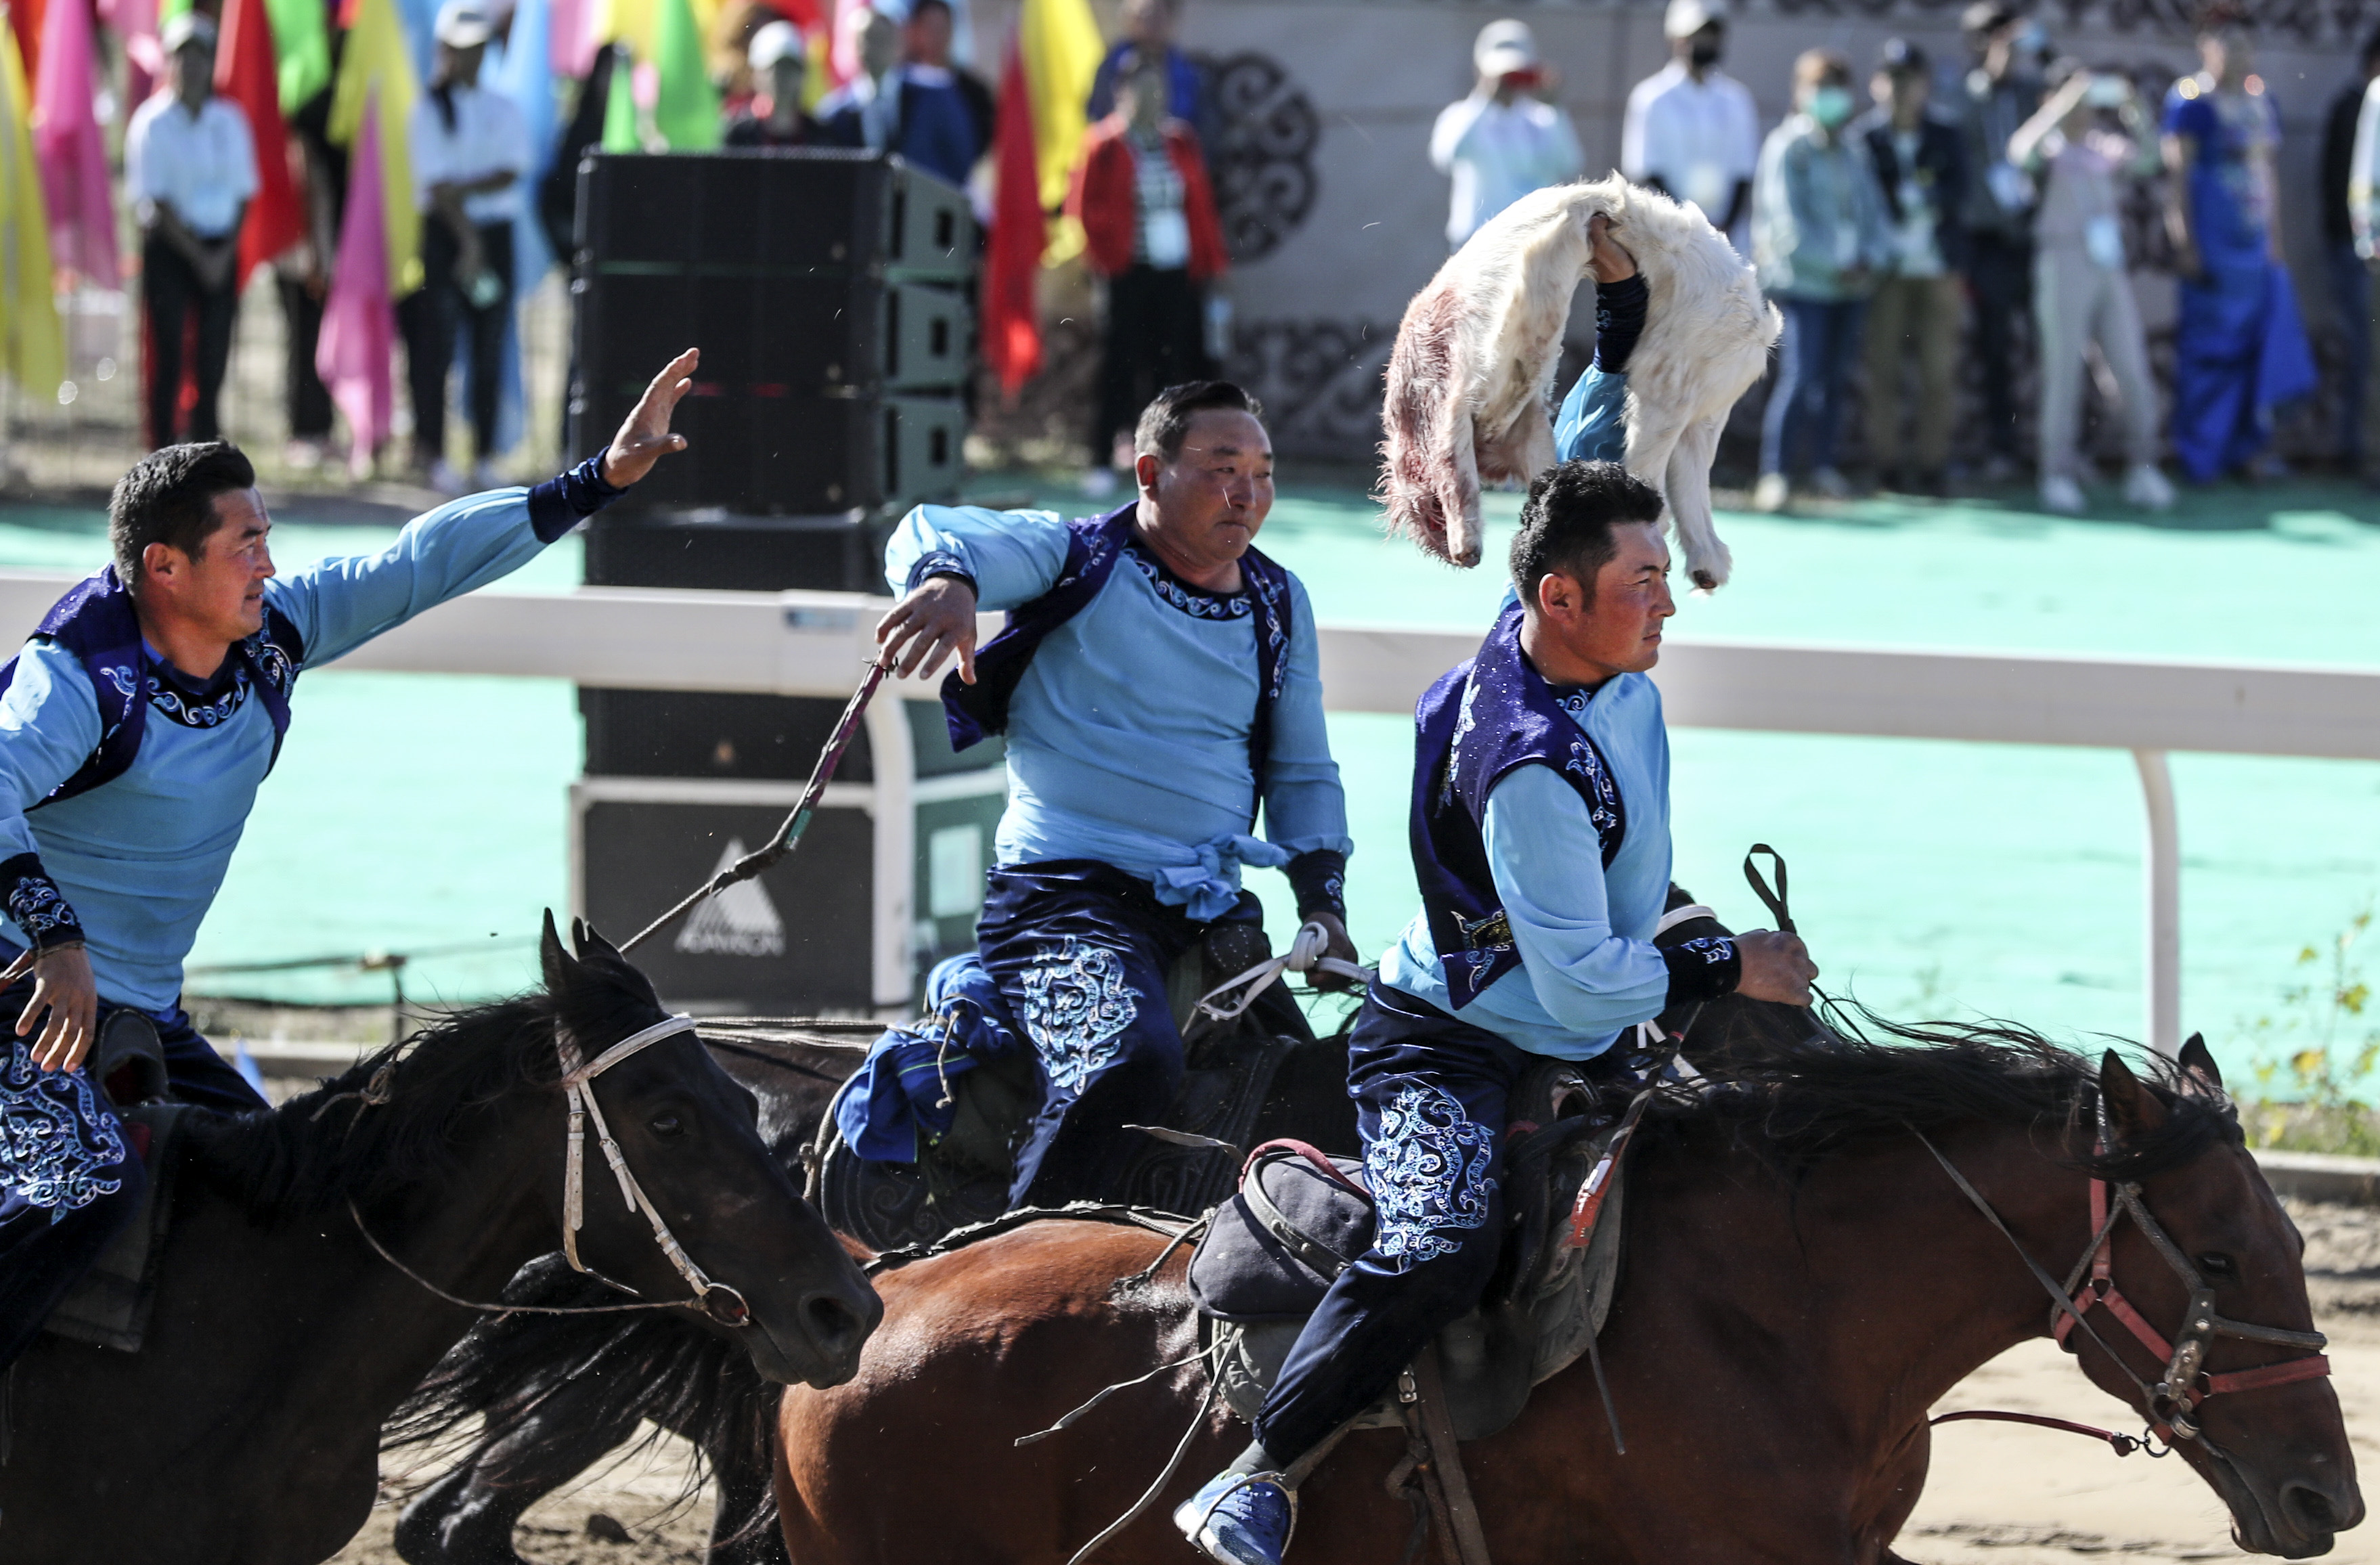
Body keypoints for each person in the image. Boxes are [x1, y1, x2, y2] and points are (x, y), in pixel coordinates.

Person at [1173, 221, 1819, 1565]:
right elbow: (1583, 979)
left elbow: (1594, 448)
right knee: (1442, 1243)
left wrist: (1618, 311)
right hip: (1454, 1040)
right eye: (1645, 586)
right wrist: (1729, 966)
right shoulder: (1522, 761)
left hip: (1593, 967)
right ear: (1564, 600)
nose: (1668, 605)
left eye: (1661, 577)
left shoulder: (1567, 611)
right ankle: (1259, 1471)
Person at [0, 350, 700, 1373]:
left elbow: (417, 564)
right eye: (245, 544)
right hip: (24, 999)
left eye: (266, 538)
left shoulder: (271, 635)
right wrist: (57, 937)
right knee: (84, 1187)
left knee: (299, 1200)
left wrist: (597, 478)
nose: (268, 564)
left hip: (139, 1011)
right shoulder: (78, 678)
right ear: (164, 568)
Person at [871, 380, 1357, 1214]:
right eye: (1223, 468)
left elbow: (1303, 769)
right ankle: (1013, 1266)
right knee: (1125, 1066)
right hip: (1062, 902)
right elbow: (932, 529)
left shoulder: (1279, 601)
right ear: (1149, 473)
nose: (1247, 493)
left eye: (1263, 472)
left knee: (1331, 1102)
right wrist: (949, 580)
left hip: (1210, 916)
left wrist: (1323, 902)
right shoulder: (1076, 556)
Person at [2161, 7, 2316, 484]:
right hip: (2212, 242)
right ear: (2206, 47)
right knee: (2210, 349)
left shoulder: (2260, 99)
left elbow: (2266, 172)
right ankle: (2201, 454)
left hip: (2253, 246)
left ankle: (2249, 451)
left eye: (2246, 44)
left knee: (2256, 346)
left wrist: (2276, 242)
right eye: (2228, 43)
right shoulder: (2190, 99)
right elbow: (2178, 177)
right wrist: (2184, 241)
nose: (2239, 53)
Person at [2009, 62, 2173, 514]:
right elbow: (2020, 152)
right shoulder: (2049, 146)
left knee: (2131, 368)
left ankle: (2144, 467)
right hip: (2062, 260)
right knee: (2063, 371)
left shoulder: (2103, 146)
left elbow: (2151, 158)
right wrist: (2061, 106)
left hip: (2107, 265)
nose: (2083, 108)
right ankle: (2056, 473)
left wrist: (2135, 108)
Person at [1070, 50, 1229, 485]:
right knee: (1120, 364)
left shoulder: (1180, 141)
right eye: (1141, 90)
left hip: (1175, 271)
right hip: (1128, 271)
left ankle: (1165, 460)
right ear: (1122, 93)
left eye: (1157, 90)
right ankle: (1102, 459)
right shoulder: (1104, 144)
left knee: (1172, 367)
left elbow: (1200, 208)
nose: (1150, 99)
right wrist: (1103, 257)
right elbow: (1083, 207)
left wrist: (1212, 263)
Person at [1751, 47, 1892, 512]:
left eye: (1837, 87)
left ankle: (1824, 467)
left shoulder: (1854, 150)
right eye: (1820, 87)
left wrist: (1871, 258)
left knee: (1835, 380)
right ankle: (1775, 472)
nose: (1831, 97)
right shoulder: (1787, 147)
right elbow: (1785, 225)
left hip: (1852, 287)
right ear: (1801, 92)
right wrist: (1835, 263)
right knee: (1801, 375)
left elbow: (1874, 214)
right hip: (1803, 285)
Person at [403, 0, 531, 494]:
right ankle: (433, 452)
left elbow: (510, 171)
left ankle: (483, 455)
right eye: (462, 48)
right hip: (445, 238)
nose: (471, 57)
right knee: (435, 346)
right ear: (446, 51)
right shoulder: (427, 108)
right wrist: (468, 240)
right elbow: (436, 188)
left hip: (493, 237)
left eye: (478, 47)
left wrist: (464, 190)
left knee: (488, 345)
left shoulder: (503, 107)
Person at [127, 12, 257, 452]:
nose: (193, 66)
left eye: (201, 56)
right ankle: (162, 450)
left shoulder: (230, 120)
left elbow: (243, 194)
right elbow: (157, 203)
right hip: (171, 248)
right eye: (183, 56)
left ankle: (205, 454)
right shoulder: (151, 122)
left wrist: (222, 254)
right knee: (169, 355)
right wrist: (199, 257)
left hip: (221, 246)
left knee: (213, 359)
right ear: (169, 62)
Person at [1855, 39, 1966, 498]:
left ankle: (1933, 466)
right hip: (1887, 273)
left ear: (1925, 84)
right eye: (1893, 79)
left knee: (1938, 374)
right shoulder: (1864, 138)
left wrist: (1925, 198)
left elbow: (1961, 191)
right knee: (1884, 372)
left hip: (1937, 269)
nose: (1901, 89)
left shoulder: (1946, 133)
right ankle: (1886, 467)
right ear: (1877, 84)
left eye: (1910, 79)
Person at [1956, 3, 2047, 481]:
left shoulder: (2033, 92)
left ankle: (2054, 448)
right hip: (1988, 242)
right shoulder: (1962, 96)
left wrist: (2043, 52)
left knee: (2049, 344)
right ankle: (2001, 447)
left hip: (2032, 236)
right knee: (1994, 348)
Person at [1428, 20, 1584, 250]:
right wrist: (1485, 99)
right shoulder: (1461, 115)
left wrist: (1555, 107)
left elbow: (1569, 164)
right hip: (1476, 240)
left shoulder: (1543, 117)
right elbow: (1447, 156)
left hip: (1532, 240)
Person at [1620, 0, 1759, 246]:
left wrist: (1724, 226)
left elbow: (1744, 170)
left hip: (1728, 239)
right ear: (1675, 38)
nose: (1705, 43)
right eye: (1697, 35)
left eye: (1711, 35)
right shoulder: (1651, 97)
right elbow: (1646, 170)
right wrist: (1689, 222)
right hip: (1667, 237)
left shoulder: (1737, 99)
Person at [818, 1, 983, 191]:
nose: (875, 48)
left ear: (898, 44)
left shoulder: (936, 96)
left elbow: (960, 159)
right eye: (868, 39)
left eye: (883, 39)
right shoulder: (833, 115)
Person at [2325, 31, 2380, 471]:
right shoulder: (2373, 98)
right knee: (2370, 357)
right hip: (2370, 254)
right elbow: (2363, 177)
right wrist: (2368, 238)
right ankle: (2367, 455)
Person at [1086, 0, 1216, 160]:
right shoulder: (1112, 66)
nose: (1151, 24)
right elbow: (1097, 114)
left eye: (1157, 17)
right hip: (1122, 158)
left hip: (1172, 160)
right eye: (1143, 16)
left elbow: (1202, 123)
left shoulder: (1186, 70)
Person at [724, 20, 822, 148]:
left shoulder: (822, 135)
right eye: (774, 68)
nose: (783, 77)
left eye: (791, 67)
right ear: (755, 74)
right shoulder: (739, 134)